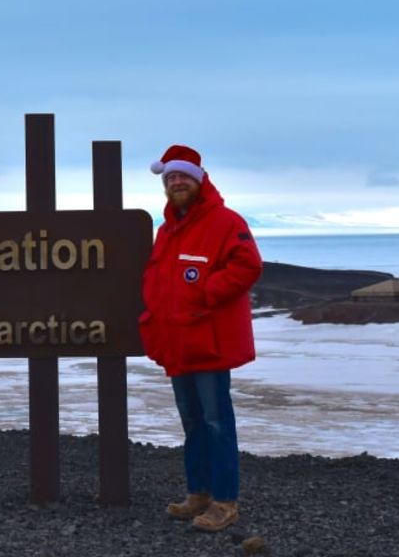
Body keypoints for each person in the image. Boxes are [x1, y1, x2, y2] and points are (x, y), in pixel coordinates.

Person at [138, 145, 262, 532]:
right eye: (170, 178)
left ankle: (225, 501)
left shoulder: (226, 221)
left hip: (209, 342)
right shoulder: (167, 229)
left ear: (199, 179)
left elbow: (248, 265)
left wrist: (205, 293)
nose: (176, 183)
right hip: (178, 342)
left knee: (216, 421)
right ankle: (199, 493)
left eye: (182, 177)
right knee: (192, 422)